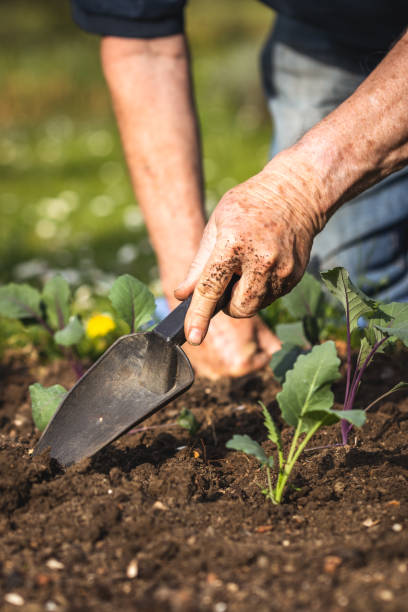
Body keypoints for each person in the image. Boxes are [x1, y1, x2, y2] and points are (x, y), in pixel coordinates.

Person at [70, 1, 408, 378]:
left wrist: (298, 191)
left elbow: (300, 192)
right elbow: (142, 44)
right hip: (334, 27)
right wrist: (195, 294)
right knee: (353, 281)